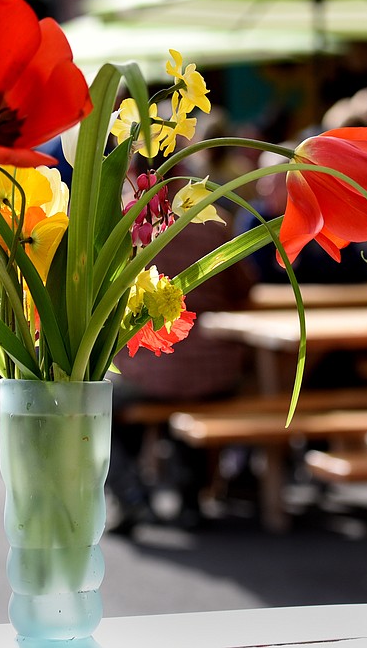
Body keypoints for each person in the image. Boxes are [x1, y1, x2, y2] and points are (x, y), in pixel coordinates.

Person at [107, 197, 255, 532]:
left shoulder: (128, 226)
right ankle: (190, 497)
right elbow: (243, 286)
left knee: (102, 407)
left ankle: (130, 495)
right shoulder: (215, 221)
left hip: (149, 365)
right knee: (190, 399)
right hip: (214, 367)